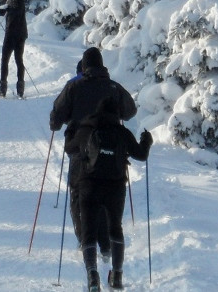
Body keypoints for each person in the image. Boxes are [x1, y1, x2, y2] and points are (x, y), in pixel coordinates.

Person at [49, 47, 138, 281]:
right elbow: (130, 111)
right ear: (102, 65)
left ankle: (84, 242)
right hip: (111, 152)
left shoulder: (74, 87)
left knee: (80, 195)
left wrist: (59, 123)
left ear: (84, 66)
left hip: (80, 150)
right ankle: (106, 245)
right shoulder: (114, 88)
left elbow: (56, 118)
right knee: (108, 195)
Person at [66, 98, 152, 291]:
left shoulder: (87, 129)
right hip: (115, 187)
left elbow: (69, 149)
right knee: (115, 228)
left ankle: (92, 276)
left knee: (88, 231)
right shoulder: (122, 132)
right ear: (117, 114)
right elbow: (141, 155)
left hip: (89, 185)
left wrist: (70, 132)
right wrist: (147, 141)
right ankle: (117, 275)